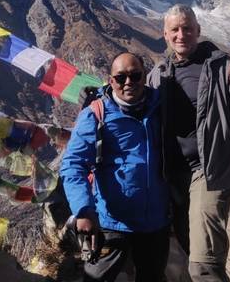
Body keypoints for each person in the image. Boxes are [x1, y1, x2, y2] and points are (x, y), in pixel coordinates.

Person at [146, 4, 230, 282]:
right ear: (165, 34)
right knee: (192, 253)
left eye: (187, 28)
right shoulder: (158, 74)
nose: (181, 35)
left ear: (198, 31)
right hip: (172, 179)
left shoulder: (222, 66)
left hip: (208, 171)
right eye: (175, 29)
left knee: (203, 266)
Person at [60, 53, 170, 282]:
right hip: (112, 221)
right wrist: (83, 210)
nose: (128, 82)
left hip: (155, 221)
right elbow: (73, 165)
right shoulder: (96, 114)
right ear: (111, 81)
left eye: (135, 75)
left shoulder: (161, 106)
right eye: (121, 78)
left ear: (144, 78)